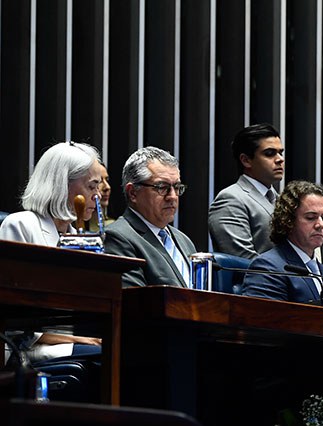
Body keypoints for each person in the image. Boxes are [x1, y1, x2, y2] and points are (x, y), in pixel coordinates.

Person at [0, 141, 102, 362]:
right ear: (61, 184)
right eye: (91, 187)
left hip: (76, 342)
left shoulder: (82, 238)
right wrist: (81, 340)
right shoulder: (21, 225)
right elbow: (14, 319)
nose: (98, 196)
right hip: (28, 350)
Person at [104, 147, 197, 288]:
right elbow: (134, 301)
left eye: (177, 187)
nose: (172, 196)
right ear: (133, 193)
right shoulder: (117, 237)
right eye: (161, 187)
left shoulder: (184, 240)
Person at [241, 180, 323, 303]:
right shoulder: (267, 268)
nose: (320, 224)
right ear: (288, 220)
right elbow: (263, 320)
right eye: (310, 217)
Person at [208, 123, 285, 258]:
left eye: (280, 152)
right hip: (261, 279)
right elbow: (242, 260)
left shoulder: (281, 200)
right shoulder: (230, 199)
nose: (280, 159)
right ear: (246, 160)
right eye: (269, 153)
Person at [83, 161, 115, 232]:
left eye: (107, 180)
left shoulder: (114, 227)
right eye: (99, 181)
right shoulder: (69, 228)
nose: (107, 187)